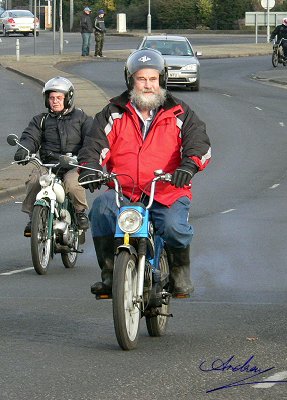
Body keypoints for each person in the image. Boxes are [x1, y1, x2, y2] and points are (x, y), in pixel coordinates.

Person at [78, 49, 211, 297]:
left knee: (174, 227)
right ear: (131, 80)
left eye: (153, 79)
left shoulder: (180, 112)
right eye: (141, 79)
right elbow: (94, 143)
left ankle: (179, 272)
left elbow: (199, 144)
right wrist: (91, 167)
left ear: (162, 80)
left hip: (167, 190)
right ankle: (110, 275)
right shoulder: (113, 112)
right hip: (123, 190)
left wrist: (188, 166)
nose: (147, 85)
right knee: (101, 210)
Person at [14, 76, 93, 237]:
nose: (55, 101)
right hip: (48, 165)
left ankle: (80, 213)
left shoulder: (82, 118)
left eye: (59, 98)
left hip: (73, 164)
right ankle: (33, 216)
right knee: (35, 179)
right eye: (51, 98)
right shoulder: (41, 120)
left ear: (68, 98)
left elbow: (91, 140)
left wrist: (87, 159)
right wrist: (23, 149)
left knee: (72, 183)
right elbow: (30, 137)